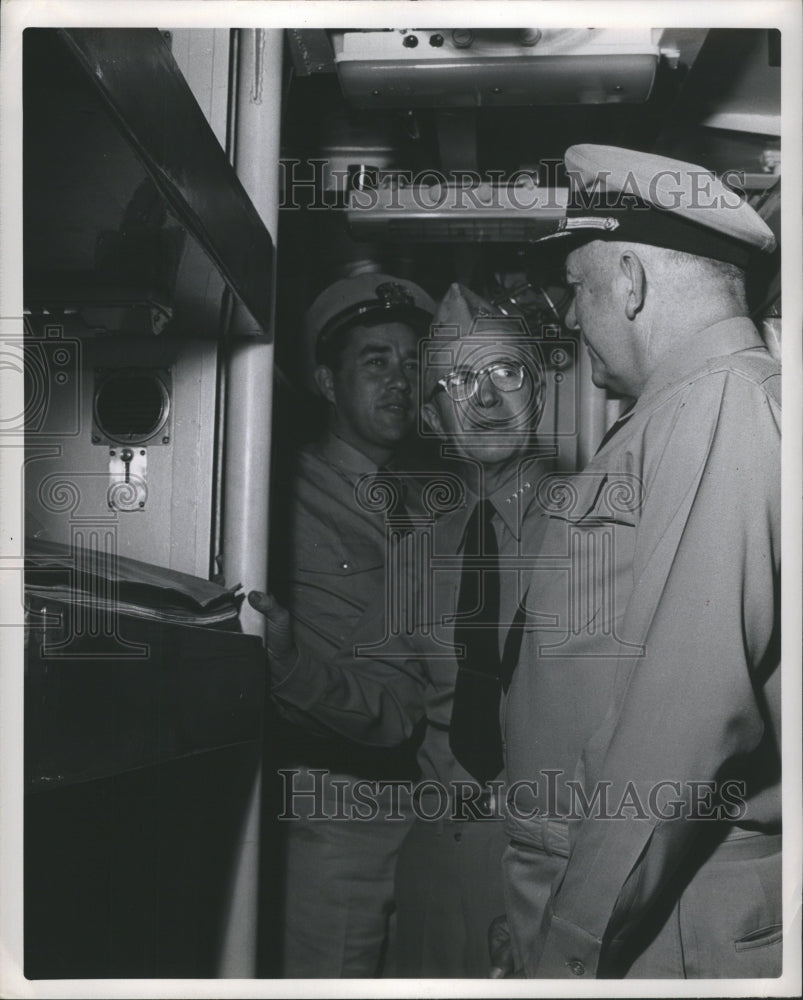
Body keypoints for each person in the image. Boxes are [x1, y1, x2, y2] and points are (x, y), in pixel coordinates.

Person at [495, 144, 781, 978]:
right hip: (638, 903)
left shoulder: (715, 407)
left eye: (576, 291)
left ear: (628, 279)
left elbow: (680, 722)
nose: (573, 319)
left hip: (661, 927)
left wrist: (570, 947)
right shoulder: (685, 412)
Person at [248, 271, 435, 977]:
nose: (400, 382)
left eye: (413, 363)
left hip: (428, 819)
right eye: (375, 361)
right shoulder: (278, 503)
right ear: (327, 384)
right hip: (337, 822)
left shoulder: (432, 506)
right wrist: (287, 663)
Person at [393, 283, 555, 976]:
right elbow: (387, 708)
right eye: (459, 381)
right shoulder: (414, 556)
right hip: (438, 868)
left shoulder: (600, 532)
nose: (485, 399)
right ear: (432, 414)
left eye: (505, 371)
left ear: (539, 388)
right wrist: (281, 664)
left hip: (551, 871)